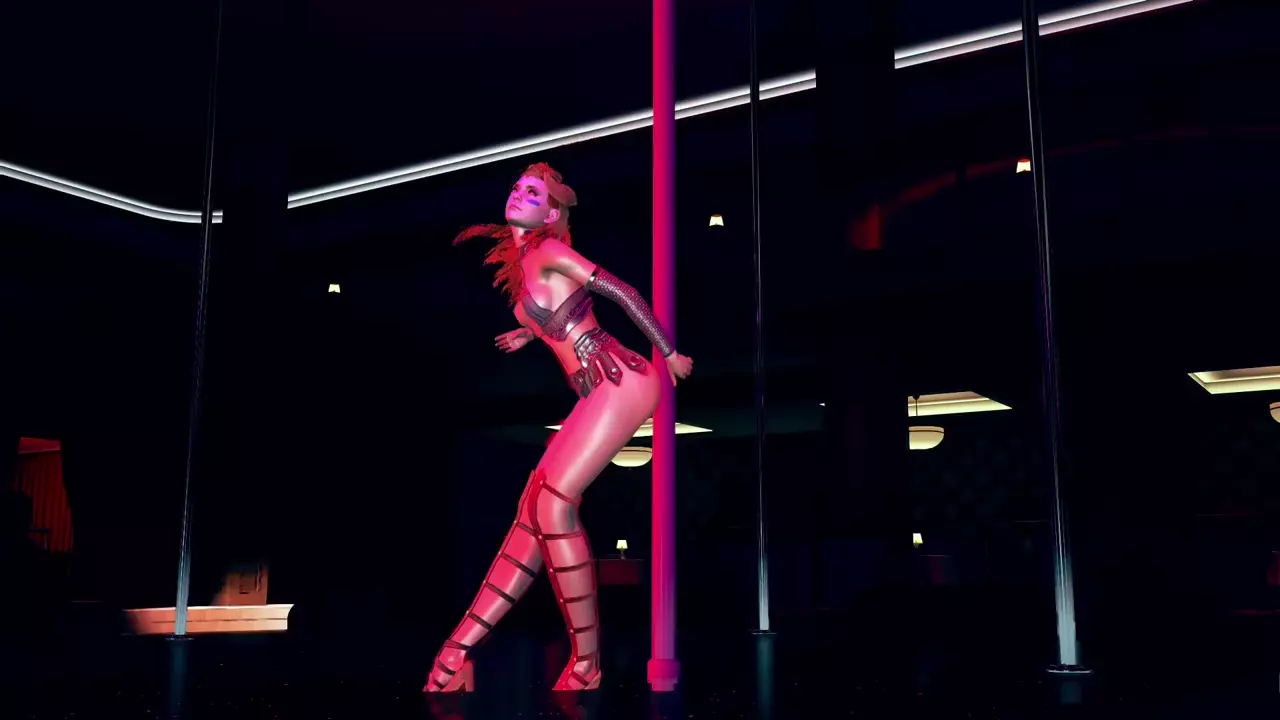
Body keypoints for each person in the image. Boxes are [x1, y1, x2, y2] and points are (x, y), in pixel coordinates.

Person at [425, 163, 693, 693]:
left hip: (620, 377)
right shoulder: (530, 261)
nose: (518, 194)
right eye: (517, 187)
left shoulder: (548, 250)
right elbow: (558, 313)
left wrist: (668, 352)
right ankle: (457, 654)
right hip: (597, 388)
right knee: (533, 507)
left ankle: (587, 665)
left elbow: (621, 291)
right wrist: (528, 335)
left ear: (551, 215)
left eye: (533, 192)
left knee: (552, 505)